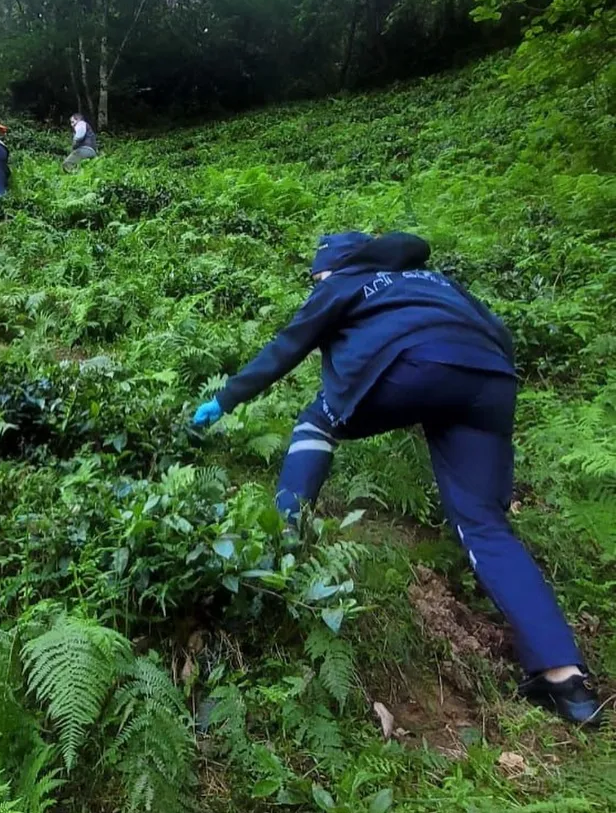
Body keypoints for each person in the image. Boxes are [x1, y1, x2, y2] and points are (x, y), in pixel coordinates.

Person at [191, 231, 602, 726]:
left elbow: (287, 346)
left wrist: (227, 398)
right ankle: (566, 680)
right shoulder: (435, 282)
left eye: (315, 278)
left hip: (409, 367)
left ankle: (284, 538)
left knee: (315, 421)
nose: (314, 285)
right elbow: (497, 331)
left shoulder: (343, 283)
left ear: (331, 271)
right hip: (490, 378)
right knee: (485, 525)